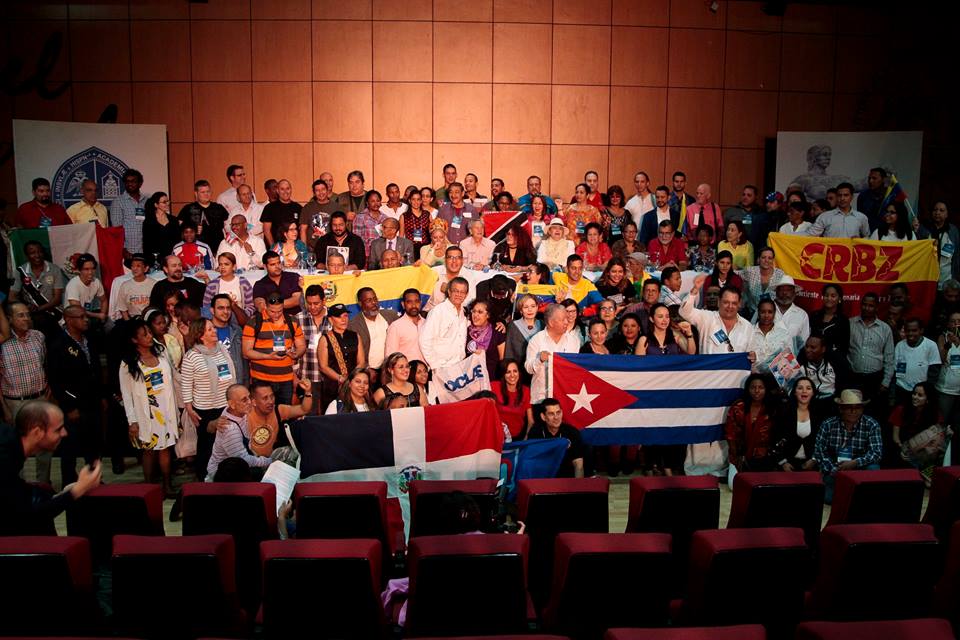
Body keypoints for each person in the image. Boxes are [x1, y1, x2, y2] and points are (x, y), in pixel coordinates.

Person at [0, 400, 101, 535]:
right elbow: (26, 517)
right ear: (37, 432)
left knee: (42, 495)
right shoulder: (5, 458)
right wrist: (77, 490)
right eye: (58, 429)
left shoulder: (11, 442)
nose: (64, 433)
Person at [119, 318, 179, 496]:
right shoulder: (128, 363)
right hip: (146, 412)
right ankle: (149, 487)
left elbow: (172, 378)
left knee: (166, 447)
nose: (149, 336)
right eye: (144, 335)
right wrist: (132, 421)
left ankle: (167, 485)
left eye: (149, 332)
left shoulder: (161, 352)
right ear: (134, 339)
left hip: (165, 409)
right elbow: (127, 395)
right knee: (149, 450)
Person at [48, 304, 105, 486]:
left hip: (93, 401)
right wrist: (69, 406)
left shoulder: (90, 340)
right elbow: (56, 381)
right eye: (81, 317)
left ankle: (94, 479)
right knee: (70, 447)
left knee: (94, 444)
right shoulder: (58, 345)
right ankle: (69, 483)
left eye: (86, 316)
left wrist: (102, 396)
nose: (86, 320)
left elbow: (96, 370)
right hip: (74, 404)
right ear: (68, 320)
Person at [0, 303, 52, 484]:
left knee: (44, 443)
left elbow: (45, 364)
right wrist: (4, 408)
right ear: (9, 319)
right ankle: (17, 487)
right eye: (20, 315)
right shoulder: (3, 343)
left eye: (27, 315)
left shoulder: (38, 337)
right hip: (15, 402)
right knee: (16, 446)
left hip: (40, 398)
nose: (26, 319)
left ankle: (44, 484)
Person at [181, 318, 237, 479]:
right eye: (210, 329)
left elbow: (231, 374)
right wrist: (189, 408)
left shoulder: (222, 349)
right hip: (205, 408)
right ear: (200, 335)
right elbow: (186, 384)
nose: (215, 331)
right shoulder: (191, 356)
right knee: (207, 445)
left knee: (226, 443)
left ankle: (223, 476)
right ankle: (203, 477)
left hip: (225, 405)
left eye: (214, 328)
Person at [814, 389, 883, 503]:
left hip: (861, 467)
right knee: (829, 498)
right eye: (849, 407)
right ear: (841, 408)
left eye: (857, 407)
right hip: (835, 468)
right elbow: (819, 452)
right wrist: (834, 469)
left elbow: (876, 453)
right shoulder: (828, 424)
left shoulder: (872, 424)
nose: (853, 411)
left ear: (862, 409)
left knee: (873, 468)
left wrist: (855, 463)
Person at [242, 291, 305, 405]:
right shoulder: (254, 322)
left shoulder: (292, 321)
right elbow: (246, 352)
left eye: (280, 311)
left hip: (286, 379)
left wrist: (296, 354)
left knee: (284, 412)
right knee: (262, 411)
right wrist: (267, 356)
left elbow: (301, 346)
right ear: (265, 306)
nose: (276, 314)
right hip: (261, 379)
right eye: (272, 311)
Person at [205, 384, 271, 481]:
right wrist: (269, 461)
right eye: (244, 400)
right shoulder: (230, 429)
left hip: (237, 464)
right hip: (222, 476)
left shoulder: (232, 410)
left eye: (249, 397)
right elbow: (244, 460)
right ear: (232, 404)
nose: (250, 402)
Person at [682, 275, 756, 356]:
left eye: (734, 303)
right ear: (719, 302)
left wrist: (754, 357)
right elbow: (684, 312)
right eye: (726, 302)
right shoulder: (706, 318)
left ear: (739, 304)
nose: (730, 306)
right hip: (710, 364)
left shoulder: (748, 327)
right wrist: (695, 289)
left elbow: (753, 354)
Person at [889, 381, 949, 480]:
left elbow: (937, 439)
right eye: (914, 394)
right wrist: (902, 450)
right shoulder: (901, 409)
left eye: (920, 395)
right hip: (903, 449)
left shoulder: (936, 414)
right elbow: (895, 437)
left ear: (928, 399)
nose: (915, 397)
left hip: (924, 453)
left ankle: (926, 477)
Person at [525, 303, 581, 403]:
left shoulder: (574, 341)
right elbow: (528, 369)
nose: (566, 322)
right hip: (541, 398)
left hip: (566, 397)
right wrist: (539, 360)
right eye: (563, 319)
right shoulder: (536, 340)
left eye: (566, 318)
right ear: (551, 322)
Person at [245, 379, 312, 457]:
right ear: (254, 402)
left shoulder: (278, 410)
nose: (270, 401)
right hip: (252, 460)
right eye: (265, 398)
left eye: (272, 396)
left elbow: (304, 409)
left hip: (273, 458)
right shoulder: (245, 417)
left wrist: (308, 392)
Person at [10, 240, 65, 335]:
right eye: (32, 253)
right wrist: (25, 307)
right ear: (27, 256)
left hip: (54, 310)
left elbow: (57, 299)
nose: (37, 255)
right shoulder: (20, 272)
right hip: (32, 314)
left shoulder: (54, 269)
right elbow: (11, 297)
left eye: (40, 252)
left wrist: (39, 309)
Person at [726, 373, 778, 472]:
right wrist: (736, 456)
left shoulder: (772, 409)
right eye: (753, 387)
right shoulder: (738, 408)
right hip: (740, 458)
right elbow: (730, 434)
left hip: (766, 460)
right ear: (748, 389)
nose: (757, 391)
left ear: (766, 389)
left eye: (761, 387)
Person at [771, 377, 822, 472]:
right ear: (794, 392)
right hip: (787, 465)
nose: (804, 391)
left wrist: (814, 459)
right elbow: (774, 438)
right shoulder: (784, 412)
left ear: (813, 393)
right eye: (800, 388)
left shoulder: (819, 414)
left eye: (808, 388)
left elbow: (823, 442)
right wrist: (783, 462)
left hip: (811, 465)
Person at [317, 304, 366, 402]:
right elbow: (323, 366)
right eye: (339, 317)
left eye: (345, 316)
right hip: (333, 388)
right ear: (330, 320)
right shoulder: (325, 339)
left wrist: (352, 379)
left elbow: (361, 362)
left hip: (354, 386)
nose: (343, 320)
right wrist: (340, 378)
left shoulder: (355, 336)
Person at [420, 277, 470, 370]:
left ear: (466, 295)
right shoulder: (438, 311)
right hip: (441, 368)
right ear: (449, 292)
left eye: (462, 292)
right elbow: (425, 340)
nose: (459, 295)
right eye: (456, 291)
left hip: (460, 366)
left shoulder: (464, 313)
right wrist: (435, 366)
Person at [527, 398, 585, 478]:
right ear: (543, 417)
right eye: (551, 414)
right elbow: (530, 461)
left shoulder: (572, 432)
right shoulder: (535, 433)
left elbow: (578, 465)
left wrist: (578, 485)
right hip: (542, 477)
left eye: (558, 412)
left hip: (566, 479)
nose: (556, 417)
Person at [348, 287, 400, 375]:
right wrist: (366, 369)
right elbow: (353, 353)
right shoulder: (353, 325)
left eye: (375, 299)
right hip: (370, 372)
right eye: (369, 300)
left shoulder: (391, 316)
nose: (374, 303)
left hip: (392, 369)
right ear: (360, 303)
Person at [894, 318, 942, 406]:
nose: (910, 333)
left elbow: (934, 371)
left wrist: (926, 390)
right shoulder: (900, 345)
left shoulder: (930, 345)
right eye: (908, 330)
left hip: (921, 392)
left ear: (921, 330)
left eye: (914, 330)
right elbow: (895, 369)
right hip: (902, 389)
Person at [202, 252, 254, 325]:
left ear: (234, 267)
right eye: (220, 264)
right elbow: (206, 307)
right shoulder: (212, 285)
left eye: (226, 264)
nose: (222, 267)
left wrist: (242, 315)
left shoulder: (243, 282)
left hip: (239, 320)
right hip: (218, 322)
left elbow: (251, 306)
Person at [178, 179, 229, 250]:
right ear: (196, 194)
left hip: (218, 247)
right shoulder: (188, 209)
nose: (206, 194)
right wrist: (193, 228)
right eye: (203, 192)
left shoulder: (219, 207)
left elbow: (228, 226)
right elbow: (179, 228)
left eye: (208, 191)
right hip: (196, 248)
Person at [208, 294, 247, 383]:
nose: (226, 311)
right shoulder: (204, 331)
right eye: (221, 308)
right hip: (214, 383)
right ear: (212, 310)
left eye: (228, 308)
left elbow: (244, 361)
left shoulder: (237, 331)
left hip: (236, 382)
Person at [749, 298, 794, 376]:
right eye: (763, 312)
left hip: (777, 379)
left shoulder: (784, 334)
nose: (766, 315)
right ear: (758, 313)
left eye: (770, 312)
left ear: (774, 313)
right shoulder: (749, 332)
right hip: (753, 378)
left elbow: (790, 360)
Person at [110, 169, 150, 255]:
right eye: (127, 181)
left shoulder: (147, 201)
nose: (130, 184)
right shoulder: (118, 201)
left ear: (140, 183)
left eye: (133, 181)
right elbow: (116, 229)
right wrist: (123, 248)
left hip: (146, 247)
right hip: (129, 249)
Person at [490, 359, 533, 440]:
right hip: (496, 436)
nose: (512, 375)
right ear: (503, 374)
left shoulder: (526, 390)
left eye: (515, 371)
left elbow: (530, 420)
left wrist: (526, 438)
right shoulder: (493, 386)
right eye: (508, 372)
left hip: (518, 438)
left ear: (519, 373)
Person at [936, 310, 960, 447]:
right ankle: (939, 451)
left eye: (959, 321)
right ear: (948, 324)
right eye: (953, 321)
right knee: (943, 423)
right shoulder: (943, 338)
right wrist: (948, 344)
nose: (956, 324)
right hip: (946, 389)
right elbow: (941, 359)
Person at [922, 202, 959, 288]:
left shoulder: (953, 231)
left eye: (941, 210)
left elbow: (957, 256)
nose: (937, 212)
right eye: (935, 210)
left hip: (947, 280)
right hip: (927, 278)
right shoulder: (924, 229)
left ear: (947, 214)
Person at [466, 300, 506, 379]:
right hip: (468, 379)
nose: (475, 315)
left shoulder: (497, 331)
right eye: (474, 311)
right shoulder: (465, 330)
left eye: (480, 312)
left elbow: (502, 360)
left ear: (488, 315)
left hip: (490, 379)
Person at [64, 253, 108, 324]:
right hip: (73, 319)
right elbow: (77, 310)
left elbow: (104, 300)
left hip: (88, 317)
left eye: (93, 269)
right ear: (79, 270)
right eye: (86, 269)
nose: (90, 272)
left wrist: (102, 315)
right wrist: (98, 315)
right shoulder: (73, 285)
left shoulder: (96, 282)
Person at [385, 288, 425, 364]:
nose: (414, 305)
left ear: (420, 303)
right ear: (403, 304)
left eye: (416, 301)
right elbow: (390, 357)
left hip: (427, 370)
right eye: (409, 302)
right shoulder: (396, 326)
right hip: (406, 370)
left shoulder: (427, 323)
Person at [741, 247, 783, 318]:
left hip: (771, 315)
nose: (766, 260)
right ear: (758, 259)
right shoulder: (750, 271)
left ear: (773, 260)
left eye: (770, 258)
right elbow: (734, 273)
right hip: (752, 313)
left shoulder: (780, 274)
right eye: (763, 257)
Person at [810, 283, 850, 358]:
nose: (829, 298)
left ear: (839, 299)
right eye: (826, 295)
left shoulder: (843, 320)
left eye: (833, 296)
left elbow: (844, 347)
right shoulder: (814, 315)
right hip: (813, 359)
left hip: (833, 360)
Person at [260, 178, 301, 246]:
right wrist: (274, 248)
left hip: (294, 248)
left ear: (291, 190)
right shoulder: (269, 208)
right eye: (282, 189)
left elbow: (300, 229)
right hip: (276, 247)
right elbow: (267, 231)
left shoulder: (298, 207)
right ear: (277, 191)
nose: (285, 192)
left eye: (287, 188)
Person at [143, 192, 182, 263]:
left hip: (172, 258)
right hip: (155, 259)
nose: (167, 204)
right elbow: (147, 244)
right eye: (164, 202)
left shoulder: (173, 220)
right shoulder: (149, 221)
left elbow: (178, 240)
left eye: (168, 201)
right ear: (156, 205)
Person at [114, 254, 156, 320]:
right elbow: (123, 309)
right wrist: (129, 322)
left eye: (138, 266)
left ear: (146, 268)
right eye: (132, 266)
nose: (134, 269)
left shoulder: (153, 284)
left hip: (150, 320)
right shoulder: (125, 286)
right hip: (133, 320)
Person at [399, 189, 431, 256]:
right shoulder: (404, 216)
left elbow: (433, 231)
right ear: (409, 201)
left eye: (418, 199)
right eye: (413, 199)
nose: (416, 202)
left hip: (426, 248)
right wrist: (399, 251)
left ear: (421, 201)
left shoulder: (427, 214)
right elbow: (401, 236)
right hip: (410, 248)